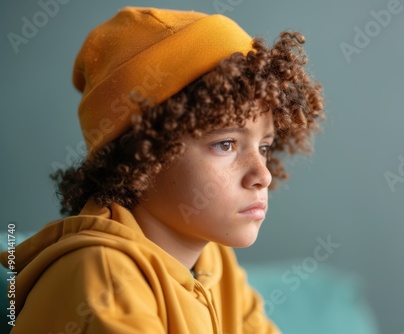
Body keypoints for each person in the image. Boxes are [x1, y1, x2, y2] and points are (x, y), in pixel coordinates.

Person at [1, 6, 325, 333]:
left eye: (264, 147)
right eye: (225, 144)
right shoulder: (103, 273)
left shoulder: (214, 261)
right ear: (142, 154)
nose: (263, 175)